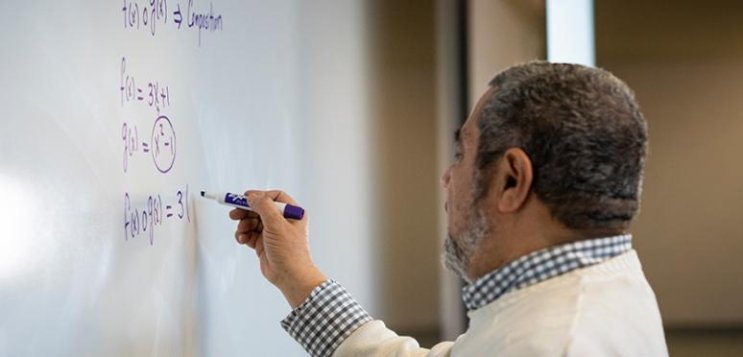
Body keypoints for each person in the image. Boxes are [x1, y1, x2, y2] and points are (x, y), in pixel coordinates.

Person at [229, 62, 668, 356]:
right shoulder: (604, 288)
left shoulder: (550, 343)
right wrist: (297, 277)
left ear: (512, 179)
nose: (447, 177)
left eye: (461, 154)